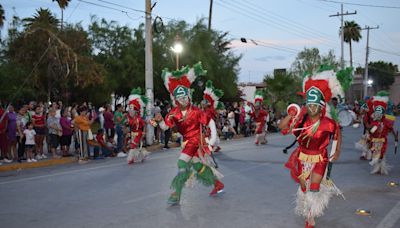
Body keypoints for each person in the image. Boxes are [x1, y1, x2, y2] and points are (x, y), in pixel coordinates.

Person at [278, 66, 350, 228]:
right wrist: (290, 115)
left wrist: (336, 152)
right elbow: (282, 127)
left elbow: (337, 137)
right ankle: (306, 205)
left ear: (321, 106)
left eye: (314, 105)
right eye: (309, 105)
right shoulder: (300, 121)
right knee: (304, 187)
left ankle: (310, 218)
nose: (311, 108)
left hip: (320, 158)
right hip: (302, 158)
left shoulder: (329, 123)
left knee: (314, 187)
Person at [154, 62, 224, 205]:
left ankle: (176, 194)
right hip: (185, 142)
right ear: (175, 100)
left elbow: (209, 122)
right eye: (180, 98)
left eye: (185, 97)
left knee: (181, 163)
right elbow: (165, 127)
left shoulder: (196, 111)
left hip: (195, 141)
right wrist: (160, 121)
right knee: (198, 167)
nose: (183, 100)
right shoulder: (173, 113)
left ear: (188, 96)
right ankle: (217, 184)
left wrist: (212, 140)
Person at [368, 91, 398, 175]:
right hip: (374, 141)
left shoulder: (386, 122)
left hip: (383, 141)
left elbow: (391, 129)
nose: (378, 115)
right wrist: (370, 129)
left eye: (379, 114)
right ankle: (377, 168)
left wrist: (395, 136)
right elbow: (370, 130)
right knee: (376, 155)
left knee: (381, 155)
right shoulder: (374, 122)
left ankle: (381, 168)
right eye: (376, 114)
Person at [126, 88, 148, 164]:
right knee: (135, 146)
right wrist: (127, 131)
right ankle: (143, 154)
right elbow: (128, 126)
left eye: (132, 111)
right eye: (130, 110)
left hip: (138, 133)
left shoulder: (139, 119)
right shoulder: (129, 119)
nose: (130, 112)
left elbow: (144, 125)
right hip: (132, 134)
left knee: (133, 146)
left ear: (136, 112)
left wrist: (144, 132)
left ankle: (131, 158)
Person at [201, 80, 224, 152]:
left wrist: (217, 123)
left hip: (211, 123)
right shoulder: (203, 110)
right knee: (211, 135)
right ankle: (215, 146)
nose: (202, 105)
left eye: (204, 104)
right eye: (202, 104)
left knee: (211, 135)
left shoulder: (210, 109)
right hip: (206, 124)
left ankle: (211, 146)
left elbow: (215, 116)